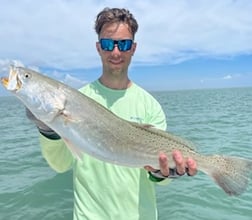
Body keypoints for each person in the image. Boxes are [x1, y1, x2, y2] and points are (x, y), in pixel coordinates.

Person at [27, 7, 197, 220]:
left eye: (123, 44)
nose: (115, 52)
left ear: (133, 48)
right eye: (108, 44)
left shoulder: (150, 106)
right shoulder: (77, 100)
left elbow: (161, 178)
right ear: (98, 48)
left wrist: (162, 173)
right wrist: (46, 129)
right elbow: (60, 165)